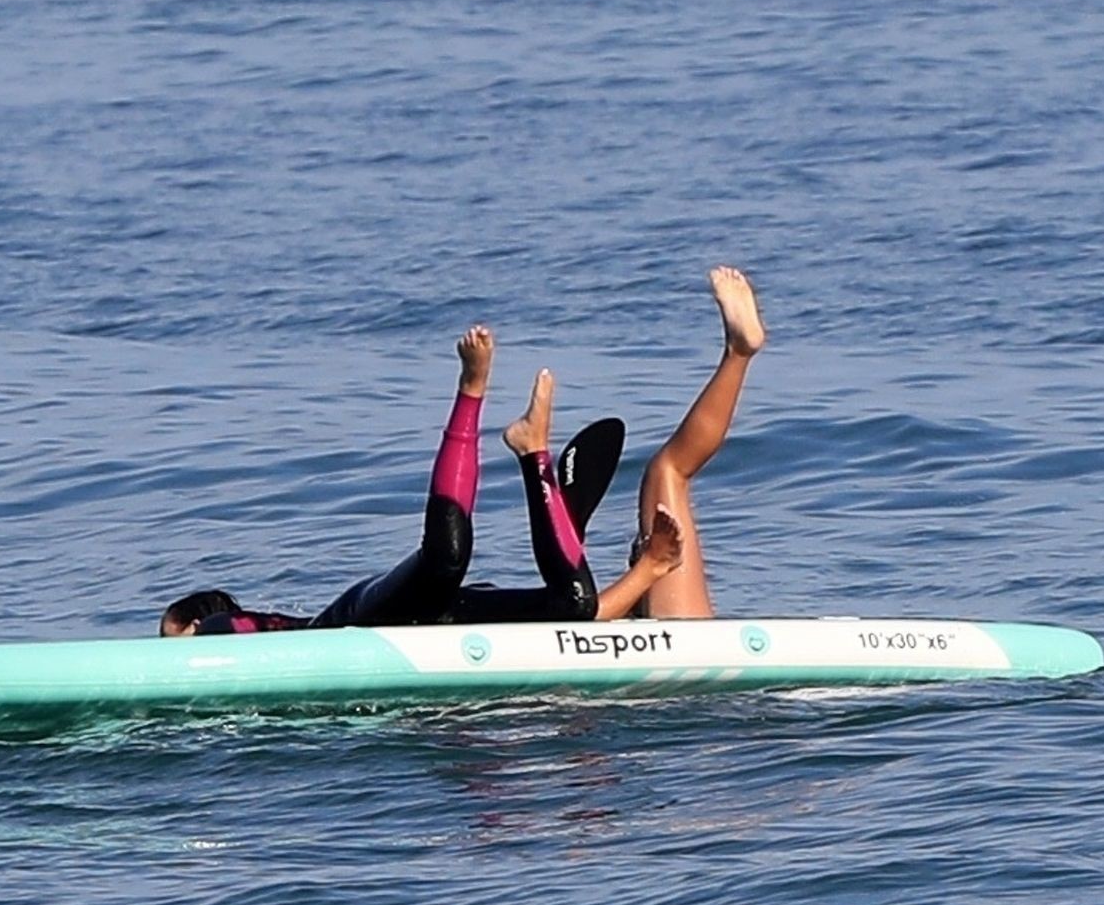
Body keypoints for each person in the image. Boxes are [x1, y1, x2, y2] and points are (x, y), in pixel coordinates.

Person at [159, 326, 683, 636]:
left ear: (191, 624)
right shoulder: (233, 638)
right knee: (573, 605)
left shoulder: (215, 632)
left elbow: (211, 637)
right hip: (439, 623)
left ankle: (472, 389)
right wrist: (651, 569)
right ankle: (534, 454)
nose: (167, 649)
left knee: (445, 559)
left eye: (168, 637)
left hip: (361, 619)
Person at [611, 265, 766, 620]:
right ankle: (738, 354)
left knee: (668, 472)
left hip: (676, 639)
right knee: (668, 471)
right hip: (682, 639)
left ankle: (739, 353)